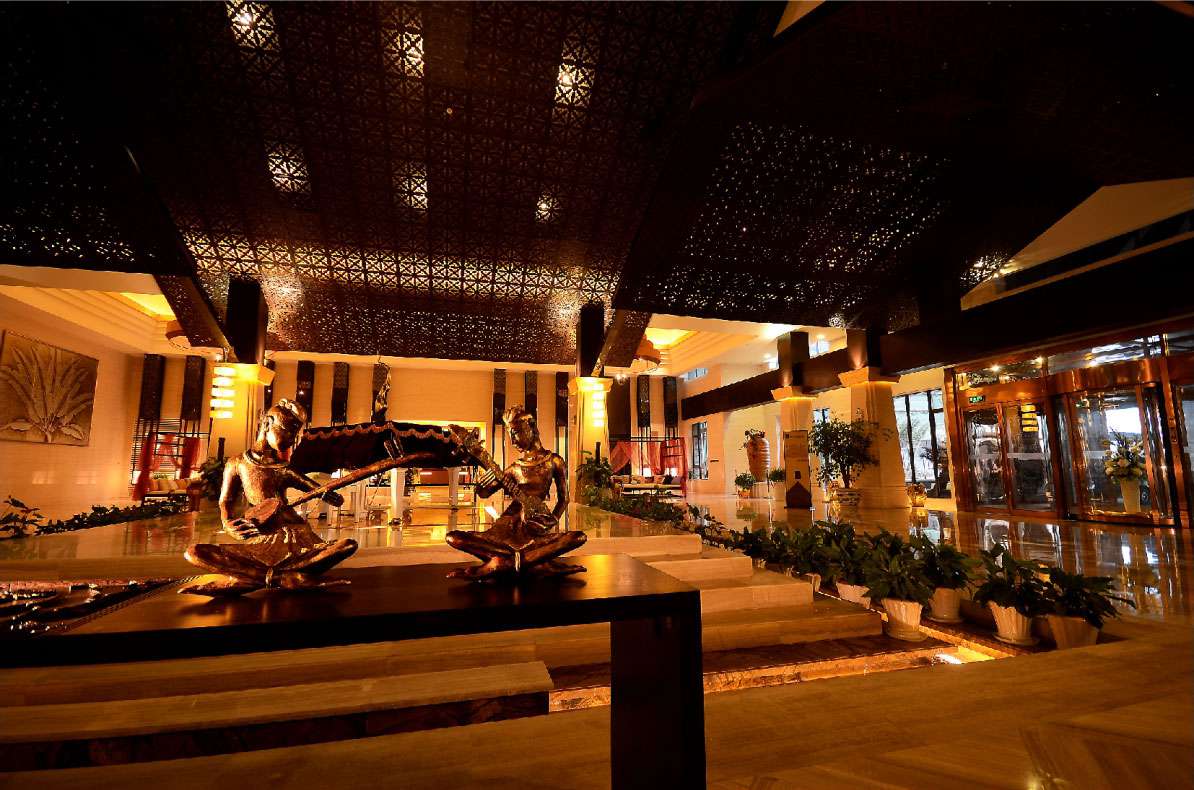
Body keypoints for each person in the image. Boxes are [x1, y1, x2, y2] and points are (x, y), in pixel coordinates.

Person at [179, 399, 358, 596]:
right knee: (194, 552)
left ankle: (253, 578)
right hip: (261, 536)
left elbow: (319, 490)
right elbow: (226, 501)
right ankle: (284, 578)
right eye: (287, 432)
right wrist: (227, 522)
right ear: (267, 423)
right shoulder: (237, 463)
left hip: (298, 538)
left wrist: (331, 496)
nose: (292, 439)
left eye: (295, 435)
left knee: (347, 545)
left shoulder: (285, 469)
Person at [446, 405, 586, 579]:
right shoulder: (513, 469)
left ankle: (502, 563)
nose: (513, 441)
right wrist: (481, 485)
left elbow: (564, 499)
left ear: (531, 426)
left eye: (516, 432)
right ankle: (533, 562)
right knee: (454, 538)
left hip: (534, 530)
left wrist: (552, 520)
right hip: (505, 531)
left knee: (578, 537)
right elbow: (484, 493)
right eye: (509, 435)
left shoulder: (554, 461)